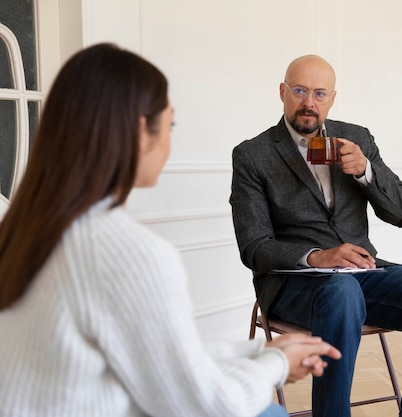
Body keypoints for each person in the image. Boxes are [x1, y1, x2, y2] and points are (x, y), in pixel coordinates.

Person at [0, 44, 340, 417]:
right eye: (170, 124)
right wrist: (274, 366)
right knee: (269, 412)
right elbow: (207, 406)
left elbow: (159, 355)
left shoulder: (25, 230)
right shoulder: (129, 254)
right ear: (141, 131)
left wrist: (258, 351)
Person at [229, 54, 402, 417]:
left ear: (332, 98)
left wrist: (367, 173)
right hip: (291, 284)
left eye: (319, 93)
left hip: (363, 274)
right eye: (299, 91)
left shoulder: (356, 139)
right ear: (282, 92)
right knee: (341, 292)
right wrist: (316, 256)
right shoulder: (253, 155)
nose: (309, 103)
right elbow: (254, 248)